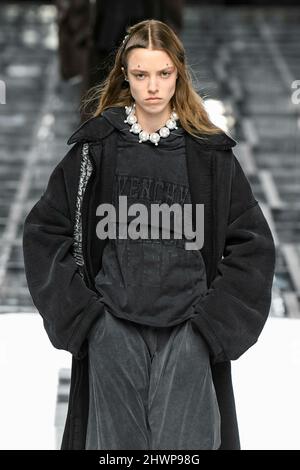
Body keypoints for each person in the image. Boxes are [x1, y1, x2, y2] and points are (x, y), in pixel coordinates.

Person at [22, 19, 276, 450]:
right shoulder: (97, 149)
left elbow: (252, 245)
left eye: (163, 73)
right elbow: (45, 232)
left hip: (188, 334)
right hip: (113, 330)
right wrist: (87, 321)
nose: (153, 87)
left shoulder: (208, 154)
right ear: (125, 74)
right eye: (140, 74)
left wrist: (210, 329)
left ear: (178, 72)